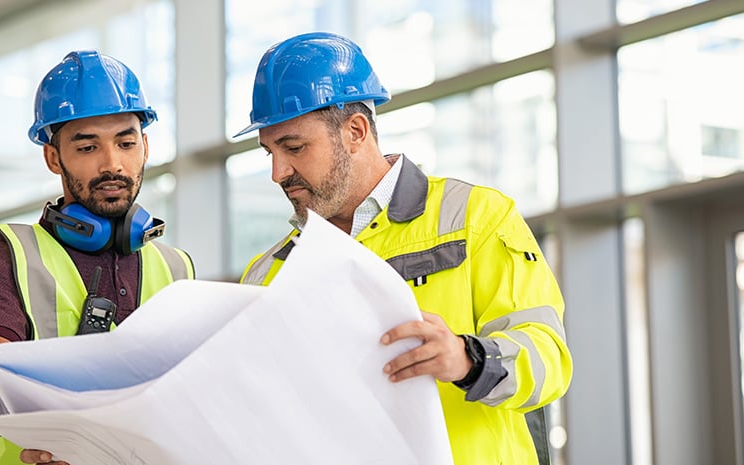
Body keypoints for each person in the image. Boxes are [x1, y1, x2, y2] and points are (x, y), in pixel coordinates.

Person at [235, 32, 573, 465]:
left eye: (295, 147)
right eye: (269, 153)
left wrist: (467, 358)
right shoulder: (266, 275)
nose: (279, 172)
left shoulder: (475, 218)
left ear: (355, 131)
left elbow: (549, 359)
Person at [0, 50, 195, 465]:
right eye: (87, 147)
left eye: (126, 143)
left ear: (145, 146)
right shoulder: (9, 252)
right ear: (54, 157)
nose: (113, 164)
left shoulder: (178, 268)